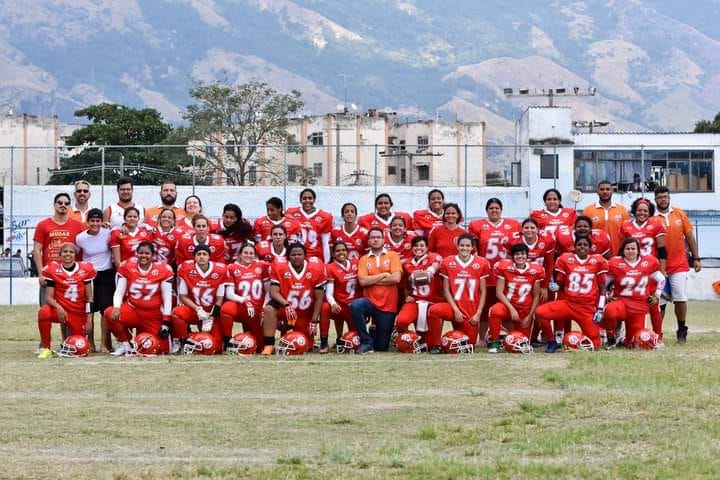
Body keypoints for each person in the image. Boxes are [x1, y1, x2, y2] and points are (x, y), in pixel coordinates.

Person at [535, 236, 608, 353]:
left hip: (586, 307)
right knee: (540, 313)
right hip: (568, 303)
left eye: (585, 245)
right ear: (574, 247)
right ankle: (551, 341)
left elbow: (603, 289)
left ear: (590, 248)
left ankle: (577, 340)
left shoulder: (598, 261)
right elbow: (560, 283)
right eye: (579, 244)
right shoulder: (566, 259)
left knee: (596, 345)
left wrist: (600, 309)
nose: (582, 247)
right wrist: (556, 286)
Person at [105, 241, 174, 356]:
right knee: (109, 312)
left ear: (152, 255)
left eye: (147, 253)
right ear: (136, 254)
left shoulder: (163, 269)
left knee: (162, 349)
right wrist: (117, 307)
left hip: (153, 314)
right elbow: (119, 292)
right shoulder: (127, 266)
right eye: (141, 253)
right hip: (134, 310)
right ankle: (125, 343)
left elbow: (167, 298)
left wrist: (166, 321)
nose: (143, 256)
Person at [653, 186, 701, 343]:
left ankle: (682, 329)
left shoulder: (679, 213)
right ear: (655, 199)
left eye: (665, 197)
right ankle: (657, 333)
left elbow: (689, 236)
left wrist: (696, 258)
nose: (663, 200)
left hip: (679, 264)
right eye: (660, 197)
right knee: (660, 300)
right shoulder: (651, 217)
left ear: (669, 198)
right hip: (658, 266)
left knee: (680, 297)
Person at [468, 198, 521, 336]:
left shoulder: (513, 225)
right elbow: (474, 250)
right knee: (486, 305)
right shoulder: (477, 225)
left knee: (506, 303)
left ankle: (511, 335)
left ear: (501, 210)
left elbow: (516, 249)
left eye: (497, 208)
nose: (494, 210)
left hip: (506, 272)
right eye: (491, 208)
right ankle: (482, 336)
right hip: (487, 271)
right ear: (486, 210)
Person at [261, 243, 327, 355]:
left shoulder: (315, 268)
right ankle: (269, 345)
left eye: (299, 254)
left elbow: (319, 298)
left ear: (305, 256)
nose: (296, 257)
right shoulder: (280, 266)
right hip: (285, 309)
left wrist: (314, 320)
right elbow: (273, 292)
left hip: (304, 313)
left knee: (305, 346)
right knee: (268, 309)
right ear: (288, 257)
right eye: (293, 254)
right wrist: (286, 304)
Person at [428, 234, 490, 346]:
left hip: (470, 310)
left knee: (468, 344)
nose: (464, 248)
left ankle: (451, 338)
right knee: (434, 310)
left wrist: (478, 313)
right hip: (453, 307)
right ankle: (435, 344)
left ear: (472, 248)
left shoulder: (481, 263)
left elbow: (483, 291)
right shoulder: (448, 262)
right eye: (462, 245)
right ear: (457, 246)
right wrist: (456, 310)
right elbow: (446, 290)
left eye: (467, 246)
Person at [36, 243, 96, 359]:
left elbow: (90, 298)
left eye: (71, 252)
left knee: (80, 347)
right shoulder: (53, 269)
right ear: (60, 254)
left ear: (75, 255)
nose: (68, 254)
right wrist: (59, 307)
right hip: (61, 310)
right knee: (44, 312)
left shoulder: (85, 269)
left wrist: (89, 318)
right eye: (65, 251)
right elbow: (48, 297)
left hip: (78, 313)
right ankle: (46, 348)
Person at [604, 238, 665, 348]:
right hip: (621, 303)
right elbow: (603, 283)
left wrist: (657, 295)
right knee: (610, 310)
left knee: (633, 342)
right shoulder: (615, 263)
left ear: (638, 250)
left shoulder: (648, 262)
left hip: (639, 307)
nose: (630, 251)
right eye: (627, 249)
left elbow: (661, 279)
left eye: (633, 248)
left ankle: (624, 339)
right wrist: (608, 296)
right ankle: (611, 337)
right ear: (623, 250)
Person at [619, 198, 666, 341]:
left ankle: (659, 336)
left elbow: (662, 250)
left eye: (645, 210)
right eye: (639, 210)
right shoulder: (626, 225)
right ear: (634, 210)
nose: (642, 213)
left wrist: (662, 271)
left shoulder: (657, 225)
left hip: (649, 268)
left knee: (653, 304)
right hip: (631, 268)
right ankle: (622, 335)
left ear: (650, 212)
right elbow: (622, 249)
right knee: (628, 302)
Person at [350, 227, 403, 353]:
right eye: (372, 237)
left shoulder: (393, 255)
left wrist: (372, 280)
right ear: (368, 241)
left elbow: (396, 278)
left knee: (381, 347)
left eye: (378, 237)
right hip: (370, 302)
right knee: (355, 306)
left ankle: (374, 331)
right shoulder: (364, 259)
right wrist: (384, 274)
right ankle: (366, 341)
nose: (375, 240)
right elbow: (362, 281)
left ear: (383, 240)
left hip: (388, 305)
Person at [487, 243, 544, 353]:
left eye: (523, 254)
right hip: (508, 307)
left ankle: (507, 336)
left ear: (527, 256)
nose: (520, 256)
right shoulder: (505, 268)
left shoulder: (536, 270)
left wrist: (529, 316)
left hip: (524, 310)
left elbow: (536, 296)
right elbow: (499, 292)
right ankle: (494, 342)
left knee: (521, 344)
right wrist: (511, 309)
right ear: (512, 257)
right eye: (517, 254)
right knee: (494, 310)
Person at [171, 245, 228, 351]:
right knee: (177, 313)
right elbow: (183, 296)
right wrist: (198, 309)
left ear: (209, 256)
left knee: (216, 347)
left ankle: (197, 337)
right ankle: (183, 341)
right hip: (194, 310)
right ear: (194, 257)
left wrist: (211, 317)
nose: (201, 257)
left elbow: (220, 298)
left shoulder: (219, 270)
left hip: (211, 313)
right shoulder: (187, 269)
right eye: (199, 254)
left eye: (204, 254)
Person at [32, 193, 85, 306]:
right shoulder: (43, 225)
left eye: (66, 203)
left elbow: (84, 247)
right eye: (60, 203)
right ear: (54, 205)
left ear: (69, 206)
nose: (63, 205)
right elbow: (36, 250)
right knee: (46, 312)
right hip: (49, 275)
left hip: (70, 276)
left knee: (68, 313)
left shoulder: (78, 226)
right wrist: (41, 274)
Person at [395, 237, 444, 353]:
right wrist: (407, 295)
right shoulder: (406, 262)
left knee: (428, 343)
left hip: (432, 302)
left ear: (427, 247)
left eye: (422, 245)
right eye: (416, 246)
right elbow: (405, 284)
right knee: (401, 321)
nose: (419, 248)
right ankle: (402, 339)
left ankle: (435, 343)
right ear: (412, 248)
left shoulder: (434, 257)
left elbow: (432, 270)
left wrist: (427, 272)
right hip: (415, 301)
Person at [75, 208, 115, 352]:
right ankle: (90, 344)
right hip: (89, 276)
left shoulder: (108, 233)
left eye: (98, 221)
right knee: (89, 311)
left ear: (102, 221)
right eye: (92, 221)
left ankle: (104, 344)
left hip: (106, 275)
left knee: (105, 311)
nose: (95, 224)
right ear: (88, 222)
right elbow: (76, 255)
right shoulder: (80, 238)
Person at [220, 244, 269, 354]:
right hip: (241, 307)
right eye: (245, 253)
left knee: (259, 346)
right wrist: (244, 300)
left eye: (251, 253)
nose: (248, 255)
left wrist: (264, 307)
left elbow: (268, 291)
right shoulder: (232, 268)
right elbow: (229, 294)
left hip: (257, 309)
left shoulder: (261, 266)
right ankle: (227, 340)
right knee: (226, 309)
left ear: (255, 255)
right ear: (240, 255)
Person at [321, 242, 359, 351]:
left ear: (347, 252)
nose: (341, 253)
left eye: (343, 250)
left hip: (354, 306)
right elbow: (328, 293)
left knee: (355, 339)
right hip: (340, 305)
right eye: (337, 251)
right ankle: (324, 343)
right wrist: (333, 304)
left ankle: (341, 339)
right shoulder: (330, 267)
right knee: (325, 307)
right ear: (333, 254)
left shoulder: (356, 263)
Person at [505, 218, 555, 302]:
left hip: (538, 277)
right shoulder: (514, 241)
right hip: (520, 275)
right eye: (526, 228)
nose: (529, 230)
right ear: (522, 230)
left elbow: (549, 264)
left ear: (537, 229)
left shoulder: (547, 240)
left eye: (532, 228)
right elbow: (509, 264)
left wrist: (544, 286)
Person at [582, 180, 630, 256]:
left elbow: (628, 234)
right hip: (596, 256)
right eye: (602, 189)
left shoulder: (622, 210)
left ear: (612, 191)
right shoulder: (588, 211)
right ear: (597, 191)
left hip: (618, 254)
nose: (605, 192)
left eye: (608, 189)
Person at [286, 188, 333, 262]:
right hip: (295, 255)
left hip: (314, 256)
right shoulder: (291, 213)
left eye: (310, 198)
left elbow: (325, 243)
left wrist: (326, 263)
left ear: (314, 200)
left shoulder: (325, 216)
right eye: (304, 198)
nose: (307, 200)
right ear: (300, 200)